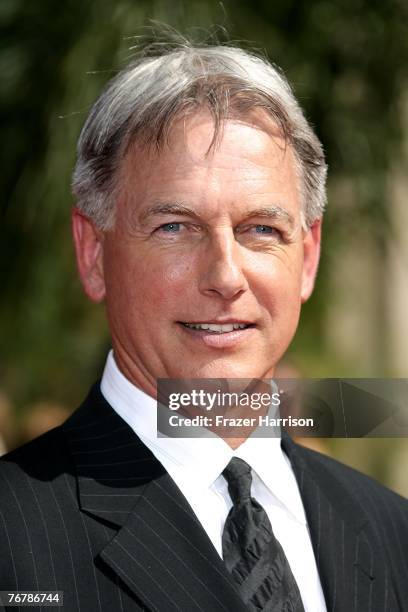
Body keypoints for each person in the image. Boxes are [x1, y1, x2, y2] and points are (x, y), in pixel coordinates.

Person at [0, 41, 407, 612]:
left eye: (261, 229)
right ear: (93, 253)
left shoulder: (393, 534)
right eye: (175, 227)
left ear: (308, 257)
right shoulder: (13, 541)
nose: (225, 276)